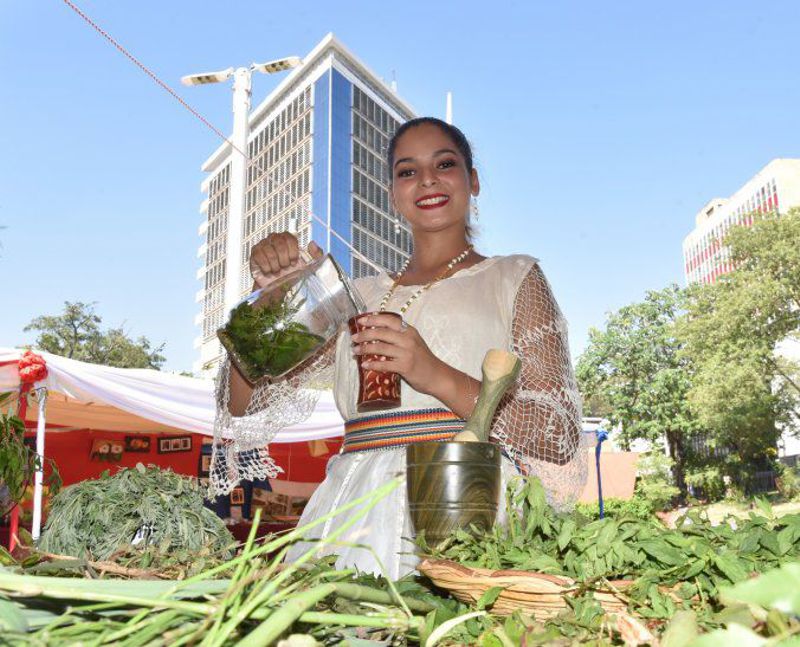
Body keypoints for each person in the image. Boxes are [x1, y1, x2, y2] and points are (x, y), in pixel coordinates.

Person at [222, 117, 585, 578]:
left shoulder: (514, 277)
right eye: (407, 171)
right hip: (352, 513)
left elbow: (557, 434)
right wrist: (270, 304)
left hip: (466, 500)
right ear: (392, 195)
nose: (428, 180)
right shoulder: (352, 295)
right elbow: (244, 402)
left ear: (472, 181)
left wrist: (434, 373)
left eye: (445, 164)